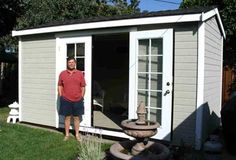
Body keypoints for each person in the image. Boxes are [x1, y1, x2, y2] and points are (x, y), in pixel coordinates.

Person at [58, 57, 86, 141]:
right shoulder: (62, 73)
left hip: (78, 99)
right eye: (69, 62)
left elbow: (83, 86)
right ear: (67, 63)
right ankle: (67, 135)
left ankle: (77, 135)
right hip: (66, 99)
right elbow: (59, 85)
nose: (71, 64)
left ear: (75, 63)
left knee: (77, 117)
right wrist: (61, 95)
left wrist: (82, 96)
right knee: (67, 117)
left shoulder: (80, 73)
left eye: (72, 62)